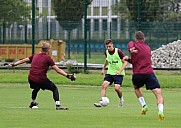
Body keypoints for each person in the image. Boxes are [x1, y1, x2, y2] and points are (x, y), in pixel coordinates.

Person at [10, 41, 76, 110]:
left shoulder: (34, 56)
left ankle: (32, 102)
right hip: (41, 79)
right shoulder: (48, 58)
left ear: (41, 49)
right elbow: (58, 70)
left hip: (31, 78)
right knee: (54, 88)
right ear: (48, 50)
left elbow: (24, 60)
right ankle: (58, 105)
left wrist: (14, 64)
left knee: (36, 87)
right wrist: (68, 76)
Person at [123, 31, 165, 120]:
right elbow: (141, 59)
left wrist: (130, 53)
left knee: (136, 88)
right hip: (149, 73)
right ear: (144, 39)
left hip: (137, 74)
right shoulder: (148, 48)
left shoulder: (133, 44)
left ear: (135, 38)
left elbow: (130, 44)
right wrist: (130, 57)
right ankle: (160, 111)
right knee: (158, 94)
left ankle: (144, 105)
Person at [94, 39, 128, 107]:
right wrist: (103, 68)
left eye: (109, 46)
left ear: (112, 45)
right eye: (107, 47)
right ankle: (102, 102)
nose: (108, 48)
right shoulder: (106, 52)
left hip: (118, 74)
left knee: (117, 88)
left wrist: (120, 71)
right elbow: (107, 60)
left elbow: (125, 62)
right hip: (110, 72)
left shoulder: (118, 51)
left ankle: (121, 99)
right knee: (104, 86)